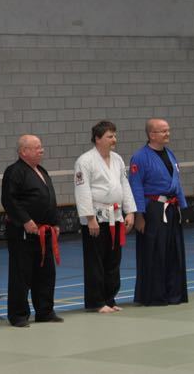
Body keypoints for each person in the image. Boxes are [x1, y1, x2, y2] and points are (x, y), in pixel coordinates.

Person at [74, 121, 136, 313]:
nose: (114, 139)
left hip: (116, 216)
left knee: (113, 261)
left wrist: (130, 211)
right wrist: (90, 218)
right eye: (110, 136)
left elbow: (124, 185)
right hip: (96, 219)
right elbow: (82, 190)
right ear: (98, 139)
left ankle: (109, 299)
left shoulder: (117, 159)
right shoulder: (85, 161)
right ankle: (96, 302)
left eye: (114, 135)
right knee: (96, 262)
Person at [1, 135, 63, 327]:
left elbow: (50, 199)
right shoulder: (14, 171)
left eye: (40, 147)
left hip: (45, 231)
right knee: (22, 274)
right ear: (23, 151)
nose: (41, 150)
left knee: (46, 273)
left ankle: (45, 311)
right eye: (37, 147)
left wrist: (55, 222)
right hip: (23, 233)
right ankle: (18, 315)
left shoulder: (41, 171)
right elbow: (9, 200)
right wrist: (25, 220)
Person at [129, 118, 188, 306]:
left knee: (173, 251)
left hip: (171, 207)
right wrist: (139, 215)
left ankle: (174, 294)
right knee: (154, 252)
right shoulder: (140, 157)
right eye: (163, 131)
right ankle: (154, 295)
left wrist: (182, 206)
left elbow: (177, 182)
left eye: (168, 130)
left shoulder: (170, 154)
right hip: (152, 209)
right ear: (152, 134)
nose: (167, 134)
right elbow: (136, 187)